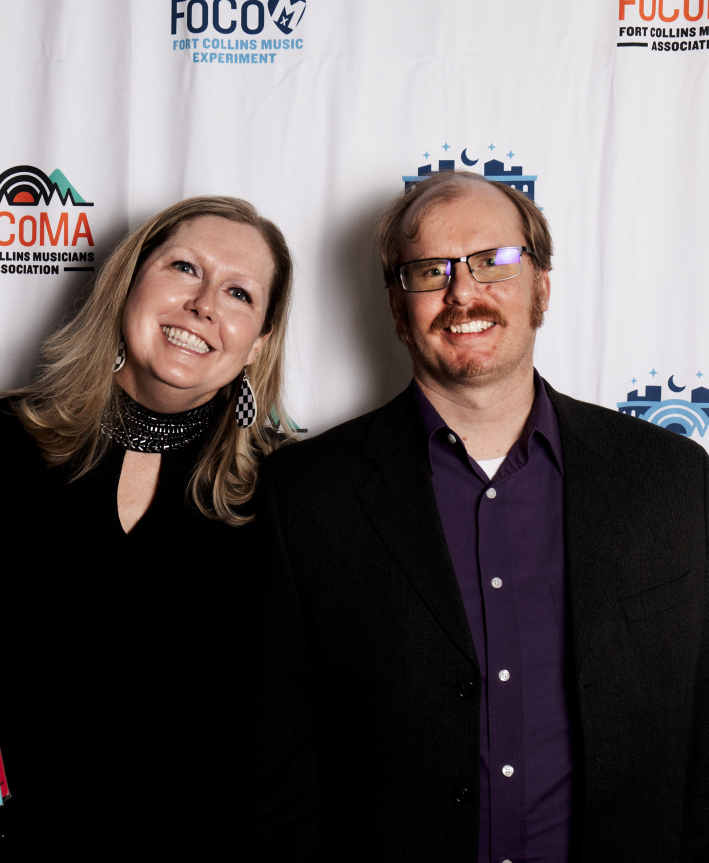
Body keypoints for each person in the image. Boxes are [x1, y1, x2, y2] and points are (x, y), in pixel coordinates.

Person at [253, 170, 708, 862]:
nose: (463, 292)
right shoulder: (305, 495)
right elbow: (283, 760)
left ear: (542, 287)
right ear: (398, 308)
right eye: (431, 270)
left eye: (493, 261)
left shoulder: (670, 478)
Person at [0, 196, 295, 855]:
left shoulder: (287, 489)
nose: (204, 304)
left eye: (239, 293)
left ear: (260, 343)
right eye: (184, 268)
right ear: (128, 283)